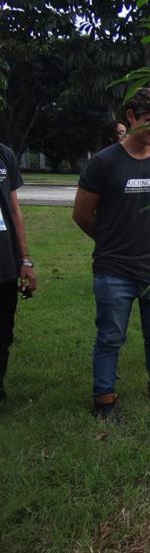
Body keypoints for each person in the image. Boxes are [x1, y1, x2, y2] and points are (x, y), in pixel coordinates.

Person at [72, 87, 150, 419]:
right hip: (113, 270)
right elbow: (82, 214)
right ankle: (104, 399)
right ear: (130, 117)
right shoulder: (104, 162)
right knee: (110, 337)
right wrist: (111, 241)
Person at [0, 142, 37, 407]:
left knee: (3, 334)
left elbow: (14, 210)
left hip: (4, 260)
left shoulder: (4, 154)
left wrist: (24, 259)